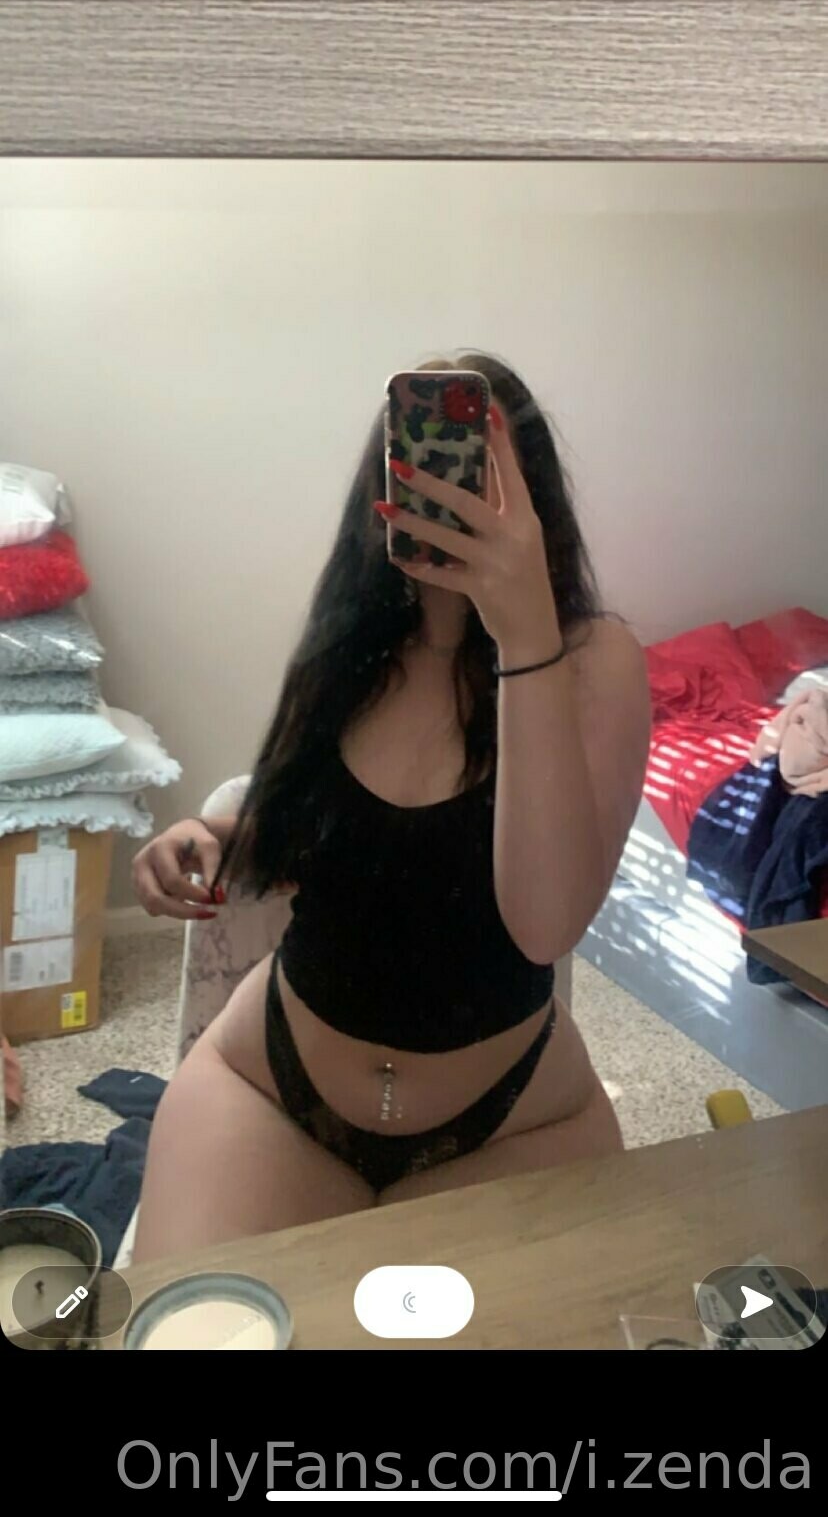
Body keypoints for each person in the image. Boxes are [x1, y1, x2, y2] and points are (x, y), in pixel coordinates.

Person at [131, 353, 651, 1260]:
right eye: (424, 457)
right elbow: (328, 840)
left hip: (511, 1127)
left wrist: (522, 632)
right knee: (200, 1318)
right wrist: (208, 836)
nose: (450, 490)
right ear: (387, 481)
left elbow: (546, 923)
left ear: (529, 492)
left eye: (476, 466)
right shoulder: (347, 651)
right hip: (271, 1094)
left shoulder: (591, 660)